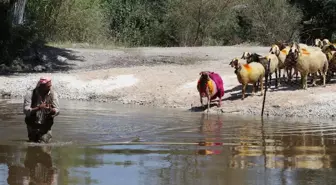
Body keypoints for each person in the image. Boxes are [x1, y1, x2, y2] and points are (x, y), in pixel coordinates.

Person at [23, 76, 60, 143]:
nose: (50, 88)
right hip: (32, 123)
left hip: (46, 124)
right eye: (48, 86)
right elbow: (26, 110)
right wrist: (38, 108)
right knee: (32, 145)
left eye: (50, 86)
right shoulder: (30, 94)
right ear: (42, 86)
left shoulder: (53, 94)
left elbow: (57, 110)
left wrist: (51, 110)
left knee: (45, 146)